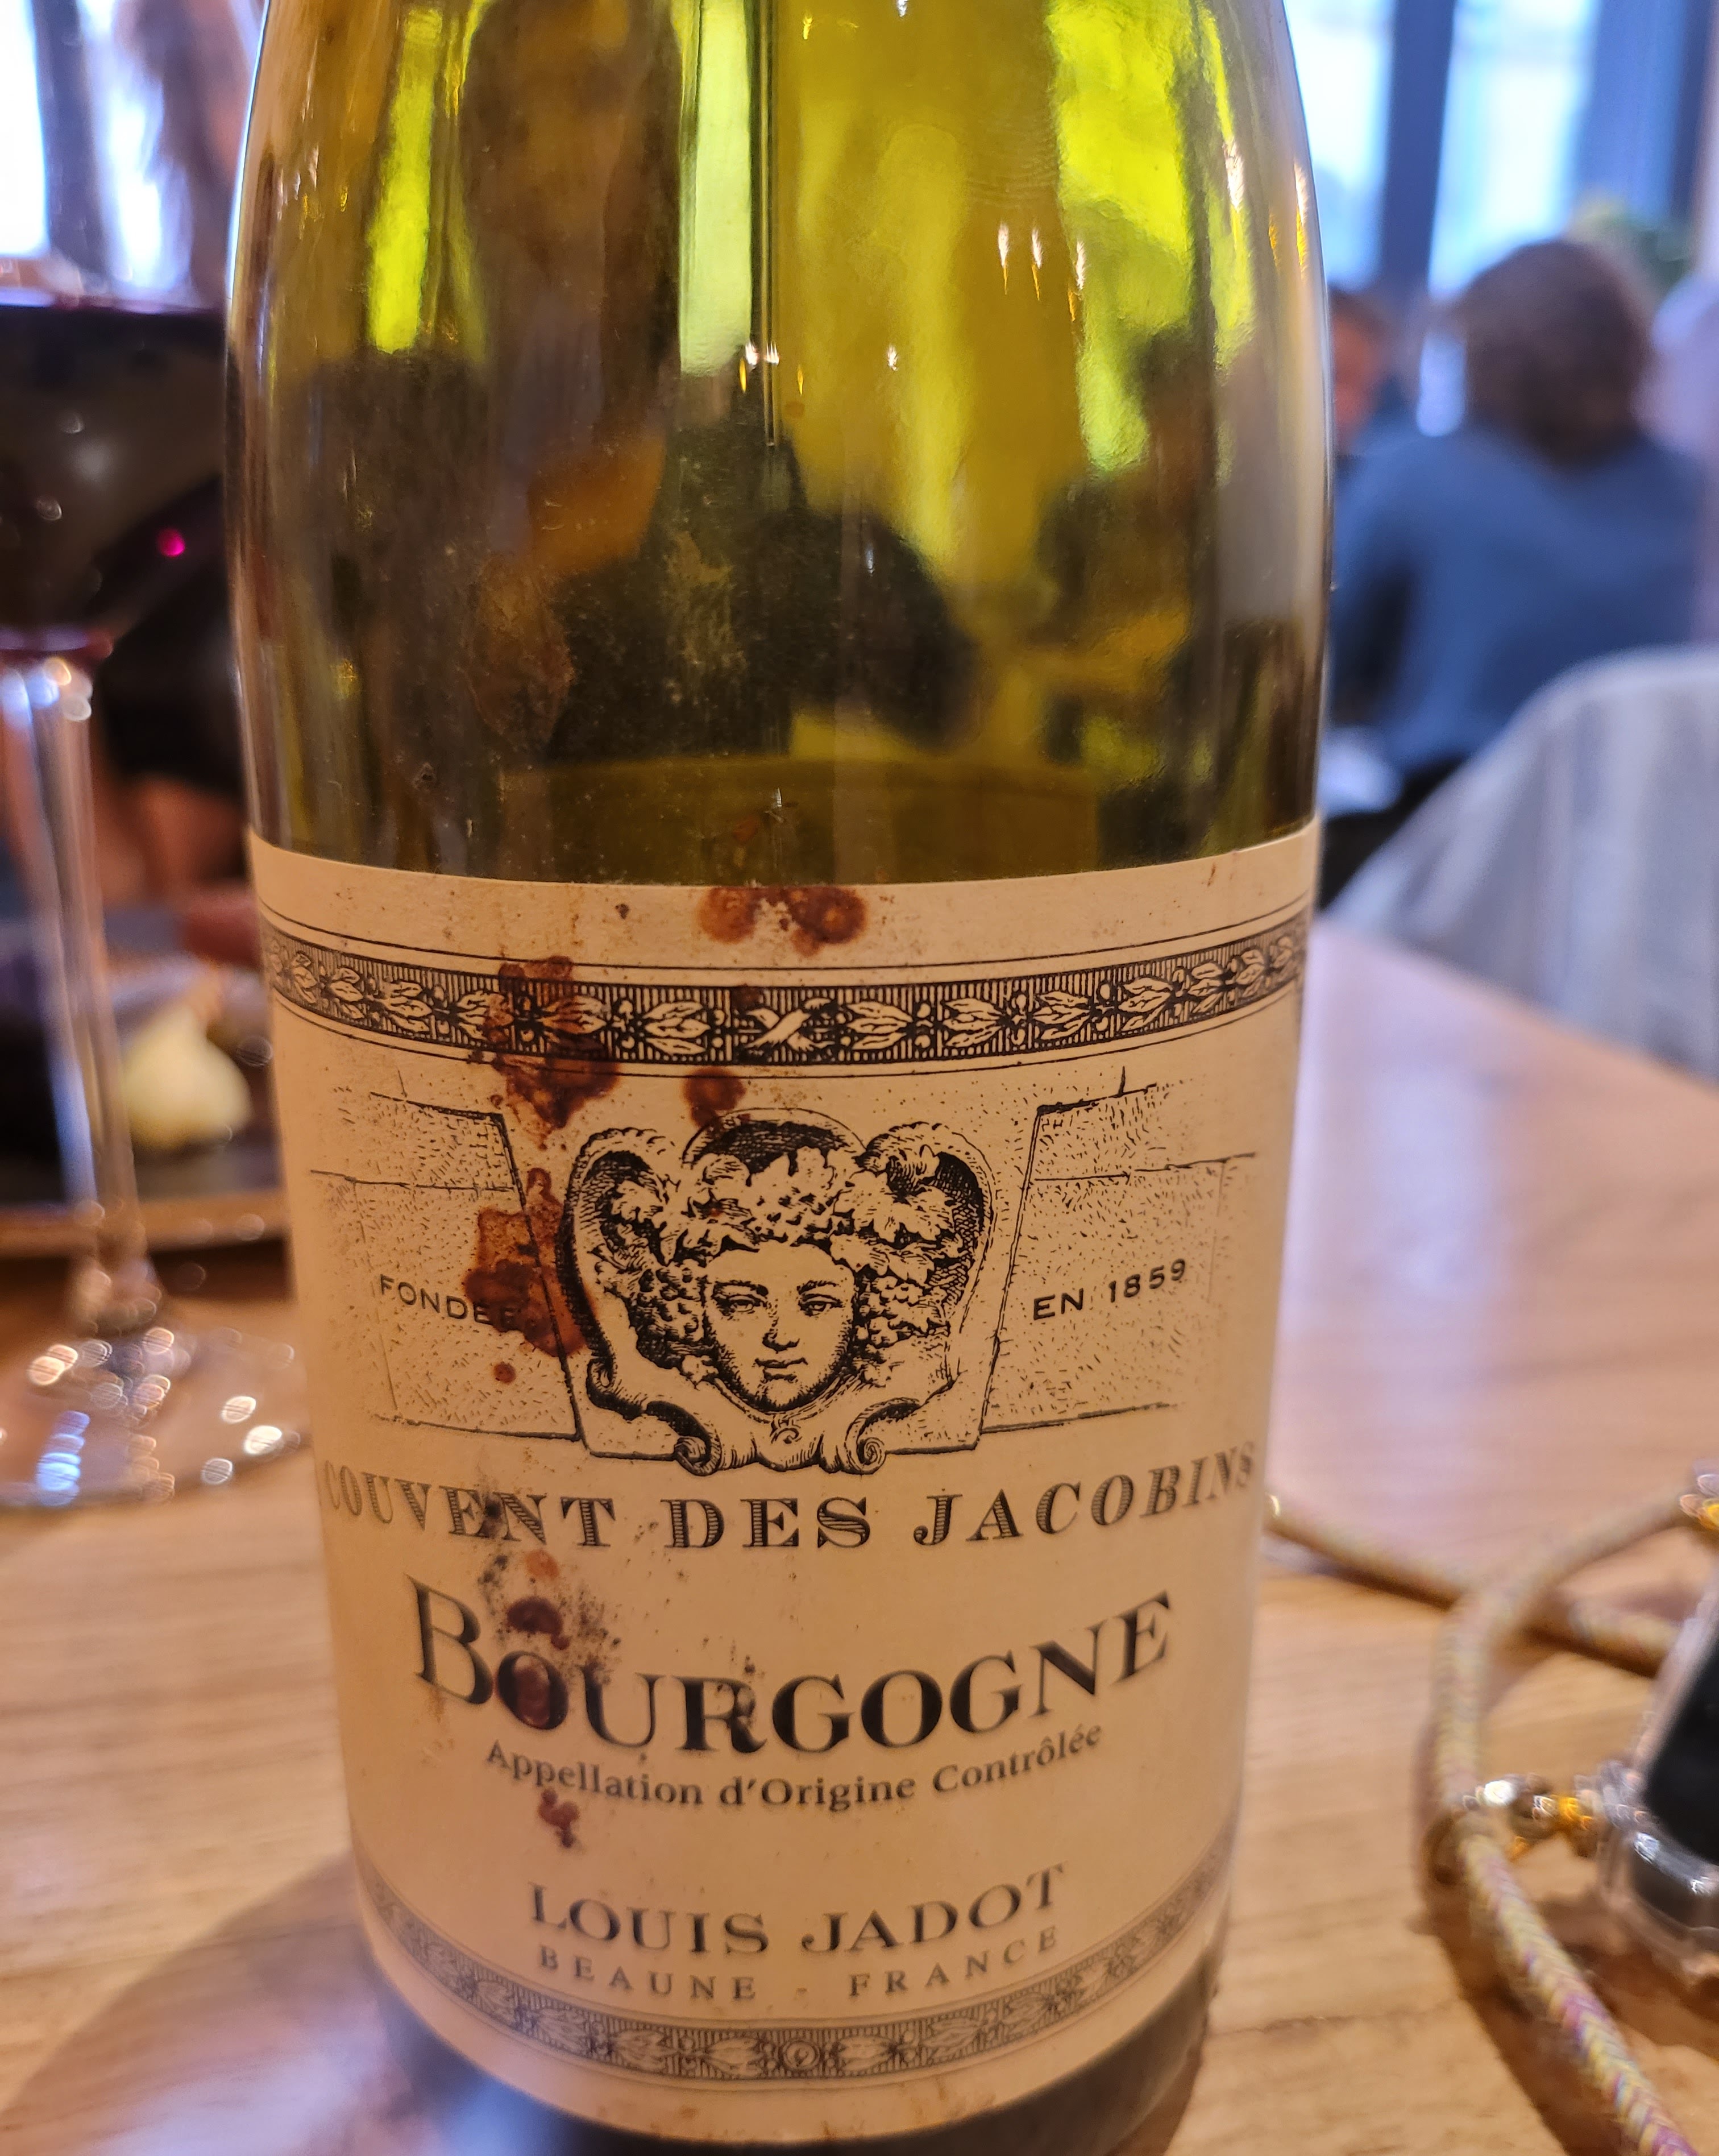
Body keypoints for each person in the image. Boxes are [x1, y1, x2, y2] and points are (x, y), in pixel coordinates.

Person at [1322, 240, 1703, 903]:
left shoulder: (1412, 478)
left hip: (1449, 863)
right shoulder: (1694, 498)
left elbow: (1316, 674)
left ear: (1478, 350)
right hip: (1648, 876)